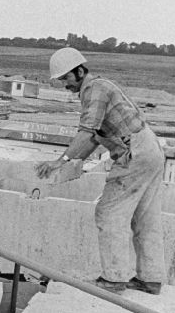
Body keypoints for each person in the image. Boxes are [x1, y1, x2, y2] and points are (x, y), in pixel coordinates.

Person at [35, 47, 165, 295]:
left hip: (134, 153)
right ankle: (151, 279)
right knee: (145, 218)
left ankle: (113, 280)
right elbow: (95, 137)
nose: (64, 84)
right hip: (149, 150)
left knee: (109, 213)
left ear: (80, 71)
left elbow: (86, 131)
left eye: (65, 78)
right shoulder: (98, 88)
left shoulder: (95, 90)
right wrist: (77, 162)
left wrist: (60, 160)